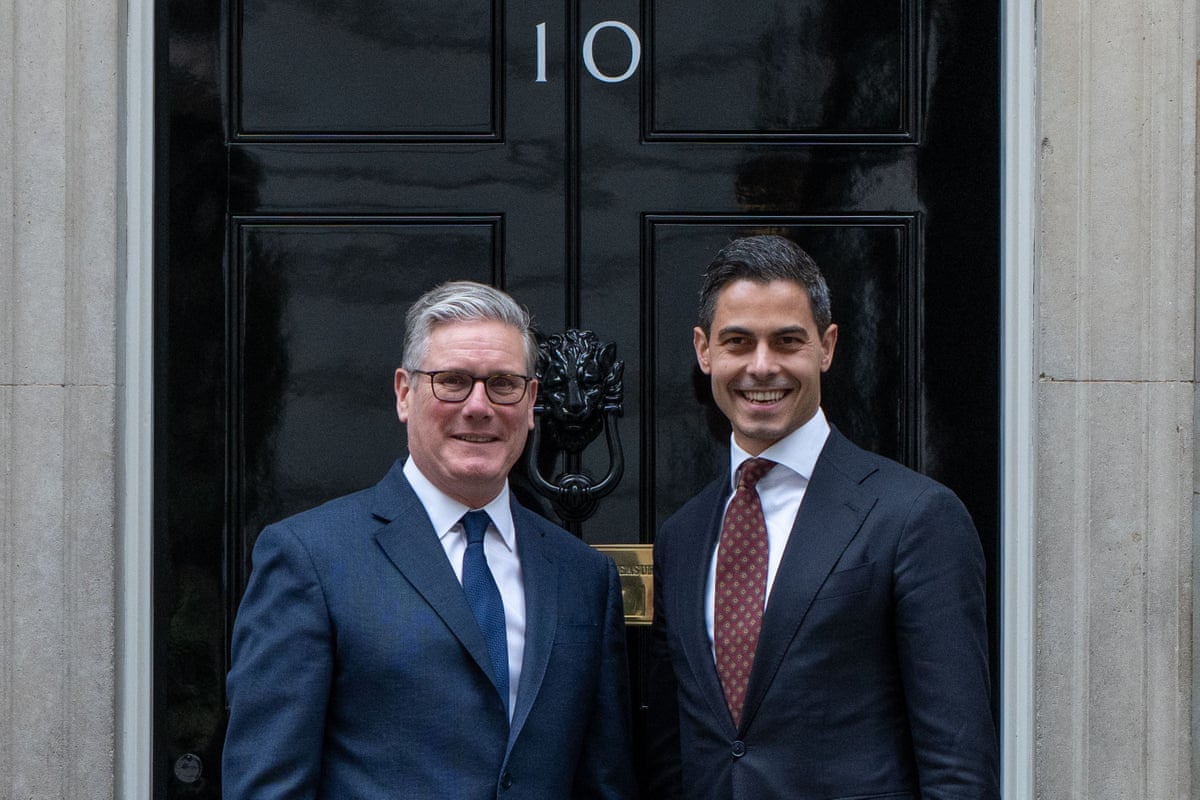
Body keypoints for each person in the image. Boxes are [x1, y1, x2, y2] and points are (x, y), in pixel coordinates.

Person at [223, 280, 636, 799]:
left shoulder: (584, 575)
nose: (479, 406)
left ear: (531, 401)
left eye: (503, 384)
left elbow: (605, 782)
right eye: (452, 381)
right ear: (404, 393)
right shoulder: (310, 559)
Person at [647, 235, 999, 798]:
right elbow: (673, 752)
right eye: (738, 342)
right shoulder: (682, 537)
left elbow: (957, 768)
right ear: (704, 351)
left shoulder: (916, 517)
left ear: (827, 347)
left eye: (787, 341)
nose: (762, 366)